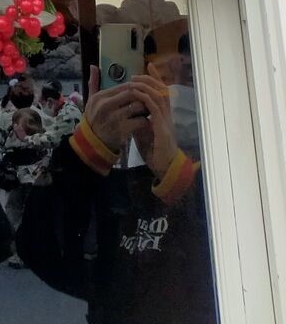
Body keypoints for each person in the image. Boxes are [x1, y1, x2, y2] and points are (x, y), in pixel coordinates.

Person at [16, 64, 215, 323]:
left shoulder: (227, 194)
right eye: (154, 81)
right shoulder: (117, 193)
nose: (166, 96)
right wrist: (84, 155)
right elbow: (42, 251)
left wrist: (178, 179)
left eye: (187, 77)